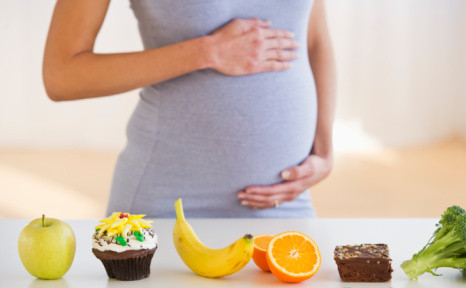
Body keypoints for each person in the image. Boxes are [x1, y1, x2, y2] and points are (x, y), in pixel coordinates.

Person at [43, 0, 336, 218]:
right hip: (166, 201)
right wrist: (207, 52)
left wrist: (324, 152)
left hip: (284, 198)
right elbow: (61, 75)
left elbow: (314, 39)